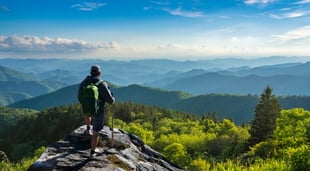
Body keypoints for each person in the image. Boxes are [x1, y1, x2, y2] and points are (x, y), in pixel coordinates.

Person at [78, 65, 115, 157]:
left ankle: (87, 128)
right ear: (99, 73)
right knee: (96, 133)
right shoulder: (102, 84)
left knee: (88, 114)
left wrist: (85, 103)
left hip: (86, 107)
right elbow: (110, 100)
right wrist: (113, 99)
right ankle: (92, 152)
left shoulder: (83, 83)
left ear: (90, 72)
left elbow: (79, 96)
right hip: (99, 110)